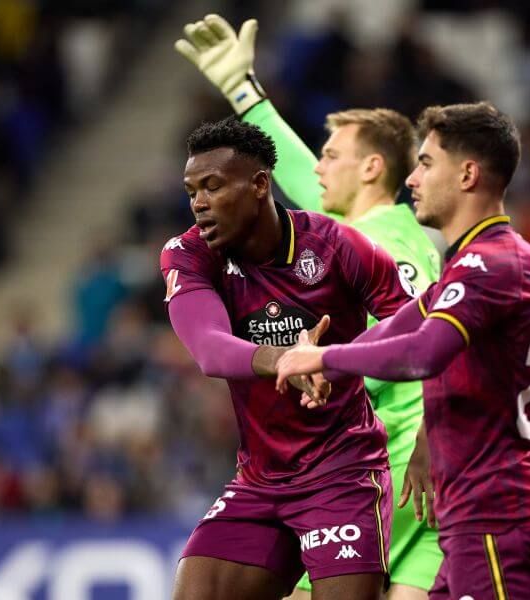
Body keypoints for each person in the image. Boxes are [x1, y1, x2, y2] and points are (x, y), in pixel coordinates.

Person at [176, 16, 444, 600]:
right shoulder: (350, 230)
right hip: (345, 463)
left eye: (331, 155)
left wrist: (325, 361)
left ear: (372, 169)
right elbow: (282, 180)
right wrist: (244, 93)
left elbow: (431, 340)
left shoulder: (391, 246)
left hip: (390, 464)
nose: (316, 167)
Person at [276, 103, 530, 599]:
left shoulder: (496, 262)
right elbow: (396, 327)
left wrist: (326, 359)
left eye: (427, 164)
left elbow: (422, 352)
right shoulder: (467, 263)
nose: (411, 179)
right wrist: (328, 369)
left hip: (499, 507)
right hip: (467, 509)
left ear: (468, 174)